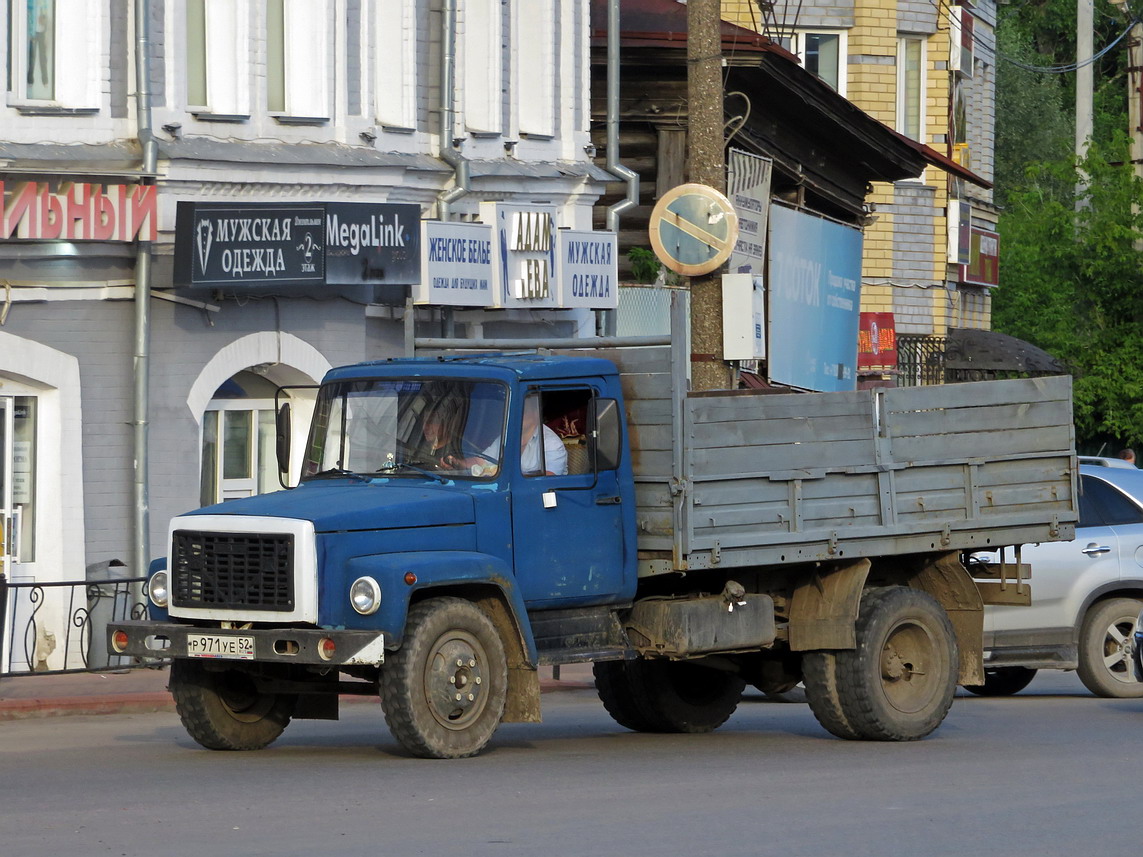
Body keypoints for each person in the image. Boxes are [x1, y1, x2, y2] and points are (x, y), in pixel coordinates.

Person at [520, 394, 567, 476]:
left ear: (536, 413)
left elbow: (548, 479)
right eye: (515, 411)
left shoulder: (551, 442)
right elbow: (489, 465)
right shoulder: (505, 437)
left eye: (524, 411)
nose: (519, 415)